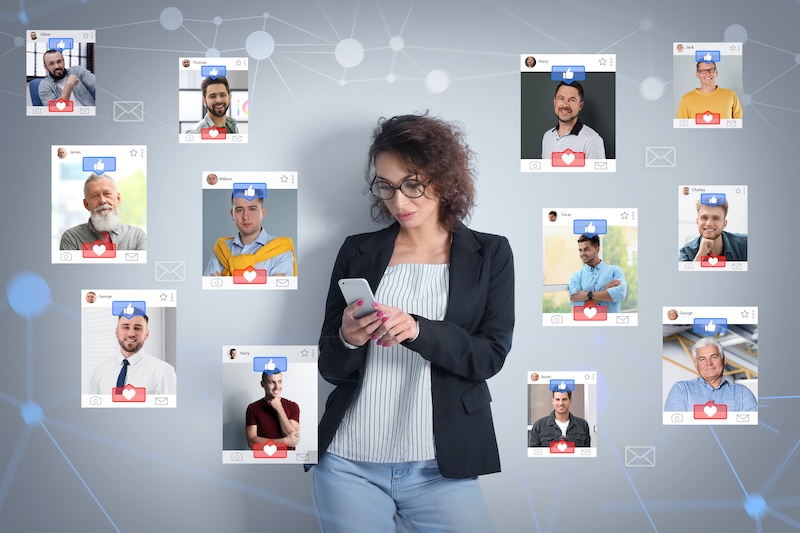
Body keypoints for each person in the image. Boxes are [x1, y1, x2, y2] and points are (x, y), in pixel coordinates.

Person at [313, 114, 515, 532]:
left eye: (412, 184)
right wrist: (348, 339)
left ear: (444, 179)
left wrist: (418, 329)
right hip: (349, 462)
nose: (399, 201)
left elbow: (490, 356)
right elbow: (329, 367)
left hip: (442, 465)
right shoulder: (357, 251)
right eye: (386, 186)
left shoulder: (491, 254)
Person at [203, 192, 297, 276]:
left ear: (262, 213)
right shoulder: (221, 249)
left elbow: (276, 294)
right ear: (232, 214)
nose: (245, 216)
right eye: (239, 210)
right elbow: (209, 292)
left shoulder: (281, 250)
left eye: (252, 209)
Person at [89, 315, 176, 395]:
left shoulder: (162, 371)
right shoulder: (100, 370)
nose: (131, 334)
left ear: (146, 334)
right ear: (117, 332)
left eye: (137, 328)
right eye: (126, 327)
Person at [664, 337, 756, 411]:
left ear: (724, 361)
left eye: (714, 357)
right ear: (696, 365)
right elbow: (674, 428)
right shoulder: (682, 389)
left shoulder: (742, 393)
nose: (709, 363)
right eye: (702, 359)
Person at [60, 173, 147, 251]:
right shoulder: (71, 238)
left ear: (118, 199)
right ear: (86, 204)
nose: (102, 201)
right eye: (95, 196)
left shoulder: (137, 237)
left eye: (107, 194)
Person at [542, 81, 606, 160]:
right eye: (561, 98)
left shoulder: (592, 140)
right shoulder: (547, 136)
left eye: (572, 100)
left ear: (580, 106)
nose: (565, 105)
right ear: (555, 102)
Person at [568, 234, 627, 313]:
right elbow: (578, 309)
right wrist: (605, 290)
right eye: (580, 250)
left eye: (586, 249)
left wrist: (588, 295)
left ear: (597, 249)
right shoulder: (576, 277)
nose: (582, 253)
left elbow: (620, 293)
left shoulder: (615, 270)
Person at [245, 372, 300, 450]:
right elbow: (251, 443)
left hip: (287, 460)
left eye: (280, 382)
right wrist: (283, 441)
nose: (277, 387)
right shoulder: (253, 408)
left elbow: (293, 439)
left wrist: (279, 408)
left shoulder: (293, 406)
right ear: (262, 384)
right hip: (263, 460)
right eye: (272, 382)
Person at [679, 199, 747, 261]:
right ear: (697, 221)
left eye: (715, 218)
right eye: (704, 217)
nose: (709, 223)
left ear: (724, 224)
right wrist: (701, 255)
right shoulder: (686, 252)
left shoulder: (746, 244)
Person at [676, 61, 742, 119]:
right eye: (703, 71)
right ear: (697, 74)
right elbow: (681, 128)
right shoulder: (686, 99)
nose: (707, 74)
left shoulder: (730, 95)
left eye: (711, 70)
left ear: (716, 72)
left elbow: (740, 123)